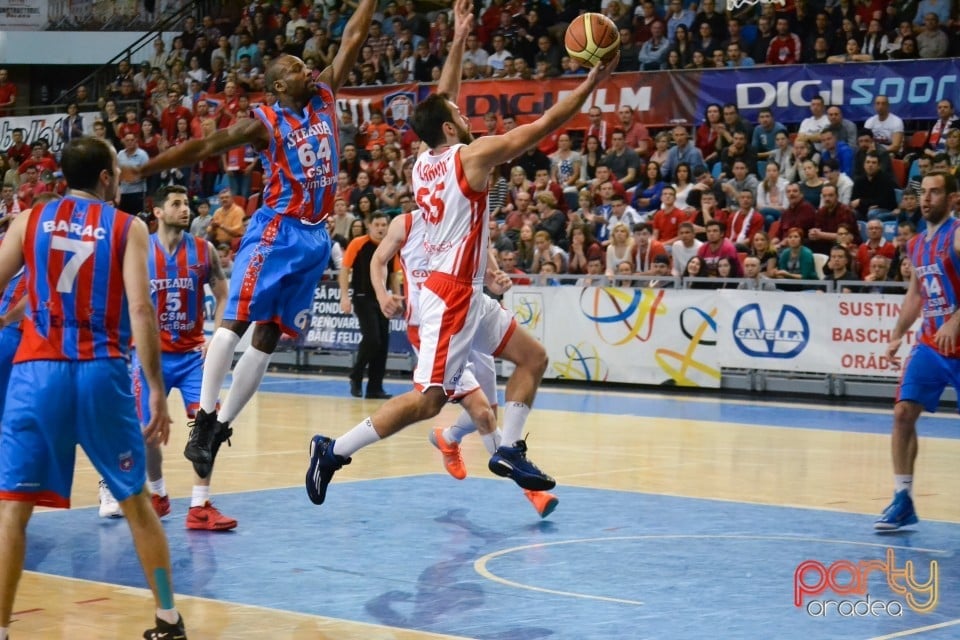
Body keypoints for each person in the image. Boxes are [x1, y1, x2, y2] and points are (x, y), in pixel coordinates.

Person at [305, 0, 618, 507]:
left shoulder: (422, 162)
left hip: (463, 292)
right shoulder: (473, 156)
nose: (461, 111)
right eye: (457, 113)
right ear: (450, 128)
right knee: (428, 401)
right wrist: (593, 81)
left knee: (532, 358)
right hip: (449, 294)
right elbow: (540, 126)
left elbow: (440, 97)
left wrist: (457, 39)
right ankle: (333, 450)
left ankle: (510, 449)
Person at [124, 0, 378, 494]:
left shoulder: (325, 95)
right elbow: (202, 147)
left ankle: (218, 428)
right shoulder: (262, 121)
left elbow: (354, 37)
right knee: (235, 322)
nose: (310, 68)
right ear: (281, 85)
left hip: (315, 235)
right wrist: (146, 169)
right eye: (298, 68)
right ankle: (203, 417)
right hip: (275, 230)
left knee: (268, 336)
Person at [0, 137, 187, 638]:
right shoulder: (129, 227)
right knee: (136, 502)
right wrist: (153, 387)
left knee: (13, 510)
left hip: (36, 373)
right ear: (106, 177)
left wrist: (19, 314)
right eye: (117, 168)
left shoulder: (30, 220)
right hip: (101, 372)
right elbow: (141, 309)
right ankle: (168, 616)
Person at [369, 211, 558, 518]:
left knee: (490, 415)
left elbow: (481, 251)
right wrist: (382, 295)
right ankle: (532, 491)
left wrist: (495, 276)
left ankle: (449, 437)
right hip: (431, 327)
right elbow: (377, 261)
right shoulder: (405, 224)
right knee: (483, 414)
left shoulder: (460, 215)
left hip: (470, 316)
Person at [99, 185, 233, 531]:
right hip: (148, 358)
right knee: (148, 432)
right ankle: (158, 495)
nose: (185, 209)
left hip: (191, 358)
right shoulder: (139, 252)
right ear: (157, 211)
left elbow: (223, 296)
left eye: (186, 203)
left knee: (209, 429)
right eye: (176, 203)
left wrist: (216, 337)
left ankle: (199, 505)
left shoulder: (204, 252)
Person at [878, 171, 960, 530]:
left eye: (935, 192)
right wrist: (897, 333)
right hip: (931, 343)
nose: (926, 198)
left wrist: (956, 319)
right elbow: (916, 294)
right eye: (923, 192)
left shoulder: (957, 235)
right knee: (902, 414)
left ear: (953, 198)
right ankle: (902, 498)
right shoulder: (915, 245)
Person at [341, 211, 394, 399]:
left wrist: (396, 296)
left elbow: (395, 274)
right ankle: (356, 375)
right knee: (372, 339)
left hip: (384, 299)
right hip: (363, 297)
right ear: (369, 225)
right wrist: (344, 297)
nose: (381, 228)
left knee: (383, 344)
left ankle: (374, 388)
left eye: (384, 225)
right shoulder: (358, 243)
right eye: (377, 225)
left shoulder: (392, 245)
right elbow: (345, 269)